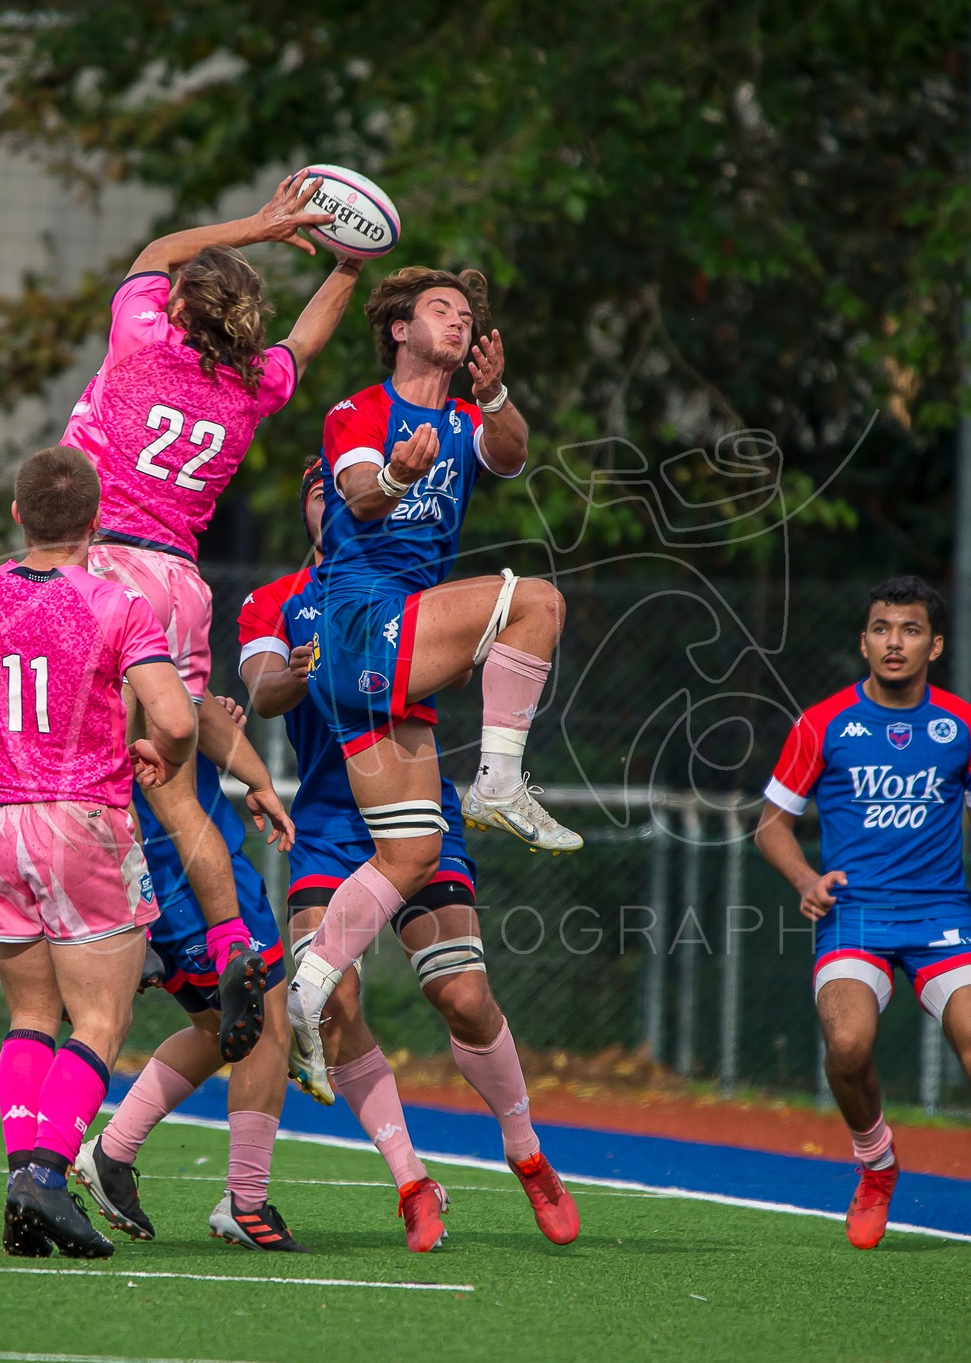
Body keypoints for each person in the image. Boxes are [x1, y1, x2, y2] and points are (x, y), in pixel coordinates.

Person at [237, 461, 580, 1251]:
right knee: (330, 1002)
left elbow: (467, 658)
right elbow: (259, 690)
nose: (335, 499)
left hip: (417, 809)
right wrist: (294, 674)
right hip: (328, 824)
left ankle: (526, 1152)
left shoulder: (405, 596)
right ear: (307, 510)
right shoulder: (273, 600)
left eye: (343, 489)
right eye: (319, 489)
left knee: (462, 995)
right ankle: (412, 1181)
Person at [63, 172, 362, 1064]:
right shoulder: (250, 387)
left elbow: (157, 253)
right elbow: (306, 339)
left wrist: (266, 227)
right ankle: (230, 941)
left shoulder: (144, 338)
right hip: (181, 586)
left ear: (182, 304)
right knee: (175, 784)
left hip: (107, 565)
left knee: (89, 772)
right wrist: (350, 263)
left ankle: (134, 935)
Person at [0, 445, 195, 1261]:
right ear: (96, 520)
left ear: (18, 516)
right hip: (82, 820)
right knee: (101, 1016)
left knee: (30, 1015)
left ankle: (25, 1178)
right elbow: (178, 718)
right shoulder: (118, 604)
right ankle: (46, 1176)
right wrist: (159, 749)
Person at [284, 266, 582, 1111]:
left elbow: (512, 454)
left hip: (393, 652)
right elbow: (359, 493)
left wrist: (496, 398)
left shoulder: (463, 416)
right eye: (441, 310)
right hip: (357, 617)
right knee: (538, 600)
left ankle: (307, 987)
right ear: (400, 329)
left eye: (466, 314)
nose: (459, 322)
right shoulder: (359, 411)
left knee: (410, 855)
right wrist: (401, 479)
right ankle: (497, 780)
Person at [752, 575, 971, 1263]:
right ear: (864, 640)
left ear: (934, 644)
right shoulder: (822, 723)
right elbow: (771, 824)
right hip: (855, 914)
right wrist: (805, 876)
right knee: (849, 1043)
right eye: (882, 628)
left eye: (910, 629)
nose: (895, 641)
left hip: (942, 914)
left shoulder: (969, 727)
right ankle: (877, 1161)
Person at [74, 703, 305, 1253]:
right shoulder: (141, 629)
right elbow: (192, 717)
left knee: (215, 1031)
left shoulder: (83, 647)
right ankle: (245, 1202)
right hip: (197, 876)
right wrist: (261, 781)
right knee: (265, 1029)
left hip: (148, 877)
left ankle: (113, 1152)